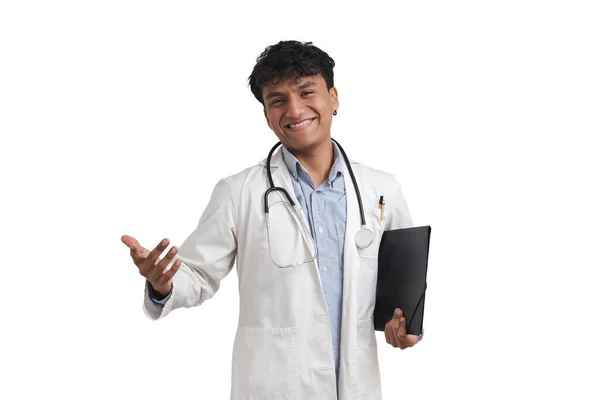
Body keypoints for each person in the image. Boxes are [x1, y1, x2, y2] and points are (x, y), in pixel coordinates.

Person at [121, 40, 421, 400]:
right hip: (274, 388)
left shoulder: (380, 189)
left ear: (334, 98)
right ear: (266, 115)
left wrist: (406, 326)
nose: (294, 110)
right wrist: (163, 284)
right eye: (277, 100)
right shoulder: (238, 192)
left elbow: (404, 285)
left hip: (355, 388)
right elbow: (197, 274)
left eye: (307, 91)